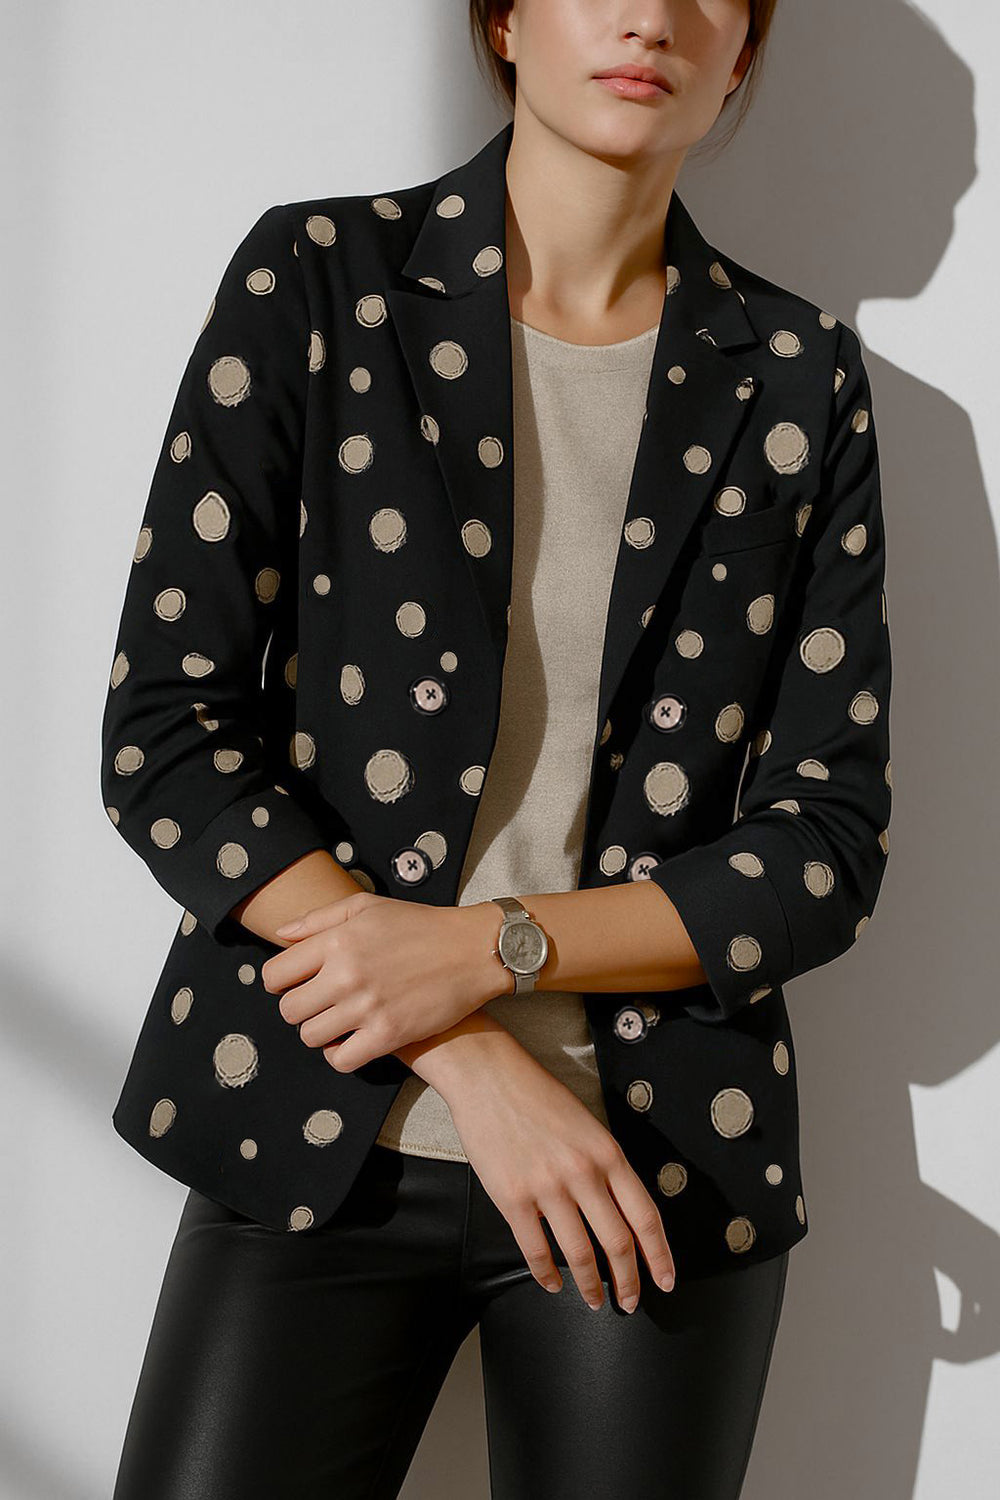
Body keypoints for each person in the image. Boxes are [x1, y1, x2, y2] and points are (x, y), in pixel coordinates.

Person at [106, 2, 892, 1496]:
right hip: (316, 1111)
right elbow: (168, 731)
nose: (650, 16)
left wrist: (488, 951)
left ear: (742, 52)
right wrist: (473, 1053)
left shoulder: (801, 378)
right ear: (507, 18)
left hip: (654, 1166)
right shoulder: (321, 279)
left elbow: (824, 846)